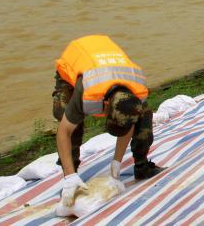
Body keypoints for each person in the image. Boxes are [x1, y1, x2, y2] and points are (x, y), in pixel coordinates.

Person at [53, 35, 163, 209]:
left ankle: (142, 166)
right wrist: (69, 176)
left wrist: (116, 165)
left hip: (109, 66)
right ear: (105, 104)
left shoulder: (137, 90)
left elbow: (128, 123)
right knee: (72, 125)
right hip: (74, 64)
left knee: (144, 124)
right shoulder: (87, 89)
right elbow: (63, 132)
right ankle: (71, 176)